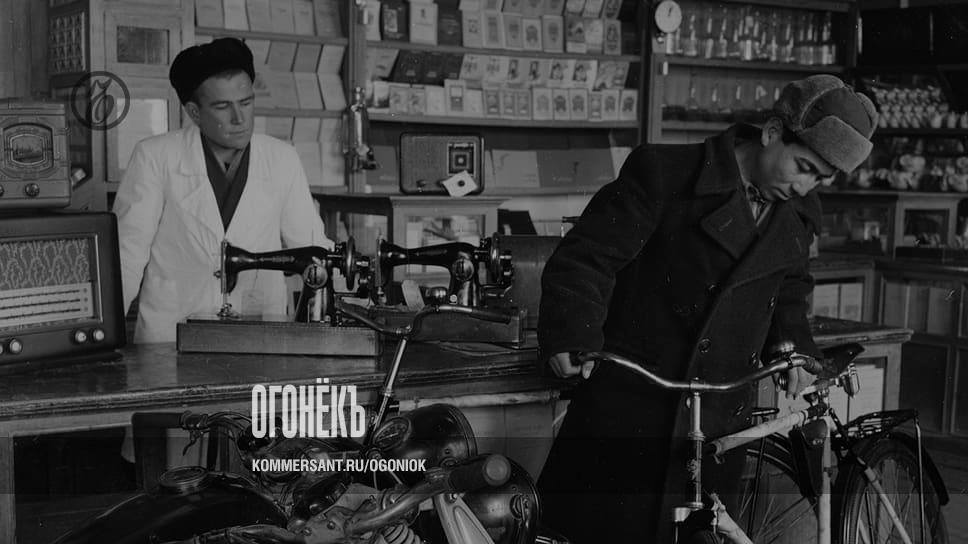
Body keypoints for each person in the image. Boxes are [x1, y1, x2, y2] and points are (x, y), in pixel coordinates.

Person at [536, 74, 878, 543]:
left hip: (715, 420)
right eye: (803, 167)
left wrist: (793, 347)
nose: (805, 186)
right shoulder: (666, 173)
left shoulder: (798, 213)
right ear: (772, 132)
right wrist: (572, 332)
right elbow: (586, 258)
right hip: (631, 409)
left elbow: (789, 287)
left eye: (820, 178)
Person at [113, 37, 332, 343]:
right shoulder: (155, 156)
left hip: (259, 332)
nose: (239, 119)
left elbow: (313, 249)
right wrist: (104, 337)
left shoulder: (282, 158)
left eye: (246, 103)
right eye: (222, 107)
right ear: (194, 112)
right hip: (170, 336)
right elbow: (126, 255)